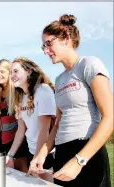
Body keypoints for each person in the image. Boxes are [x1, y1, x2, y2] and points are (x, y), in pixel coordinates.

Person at [29, 14, 113, 187]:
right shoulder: (59, 79)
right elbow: (58, 122)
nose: (45, 51)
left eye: (49, 44)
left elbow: (110, 117)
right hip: (62, 152)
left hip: (87, 153)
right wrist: (43, 153)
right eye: (43, 46)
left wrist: (79, 161)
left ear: (66, 38)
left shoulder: (89, 64)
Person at [7, 57, 56, 181]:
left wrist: (37, 159)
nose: (12, 75)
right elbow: (21, 130)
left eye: (16, 71)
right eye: (11, 73)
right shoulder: (20, 98)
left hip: (47, 154)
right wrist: (10, 156)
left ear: (29, 71)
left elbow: (44, 130)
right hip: (32, 151)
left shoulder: (43, 90)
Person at [0, 59, 29, 172]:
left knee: (21, 174)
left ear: (10, 72)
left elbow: (23, 124)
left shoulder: (18, 91)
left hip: (20, 142)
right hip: (2, 142)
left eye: (2, 71)